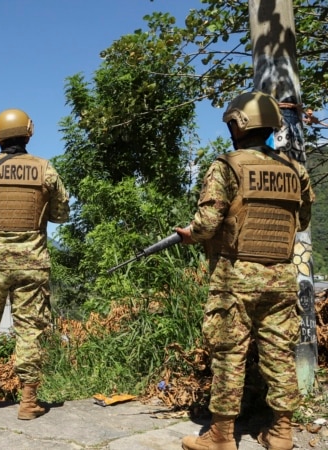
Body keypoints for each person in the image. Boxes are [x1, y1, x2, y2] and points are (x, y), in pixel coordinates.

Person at [175, 91, 314, 450]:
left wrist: (191, 235)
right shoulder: (294, 170)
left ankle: (221, 436)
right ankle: (282, 432)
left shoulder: (226, 166)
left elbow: (207, 224)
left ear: (238, 124)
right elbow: (302, 221)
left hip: (235, 277)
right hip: (281, 277)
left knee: (229, 354)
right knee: (279, 353)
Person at [0, 108, 70, 420]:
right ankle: (28, 401)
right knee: (30, 330)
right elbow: (61, 214)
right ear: (29, 132)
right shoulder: (45, 170)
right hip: (32, 262)